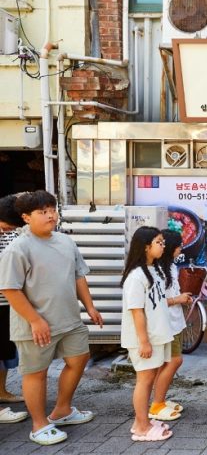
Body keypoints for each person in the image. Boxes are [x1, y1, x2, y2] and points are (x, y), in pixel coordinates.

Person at [0, 190, 103, 446]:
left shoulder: (65, 241)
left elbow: (79, 275)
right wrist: (35, 320)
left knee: (79, 358)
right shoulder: (18, 248)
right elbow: (10, 289)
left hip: (69, 318)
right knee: (36, 373)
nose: (50, 216)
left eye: (52, 210)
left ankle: (62, 410)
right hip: (35, 324)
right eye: (42, 212)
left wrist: (89, 306)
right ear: (26, 217)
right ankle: (39, 425)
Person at [120, 226, 174, 442]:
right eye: (159, 242)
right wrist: (143, 341)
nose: (163, 245)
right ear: (145, 247)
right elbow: (136, 311)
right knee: (144, 380)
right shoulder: (136, 276)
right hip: (145, 338)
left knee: (150, 378)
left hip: (156, 335)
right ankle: (141, 426)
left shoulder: (155, 270)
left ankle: (142, 421)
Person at [149, 229, 193, 422]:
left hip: (174, 322)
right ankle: (156, 405)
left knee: (167, 362)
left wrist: (180, 299)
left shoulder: (170, 267)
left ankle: (160, 401)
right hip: (165, 323)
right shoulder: (156, 270)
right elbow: (158, 301)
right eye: (178, 246)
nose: (180, 249)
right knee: (175, 361)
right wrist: (179, 299)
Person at [0, 194, 27, 424]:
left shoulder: (13, 235)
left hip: (8, 305)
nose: (6, 230)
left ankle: (2, 392)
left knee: (6, 353)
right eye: (5, 225)